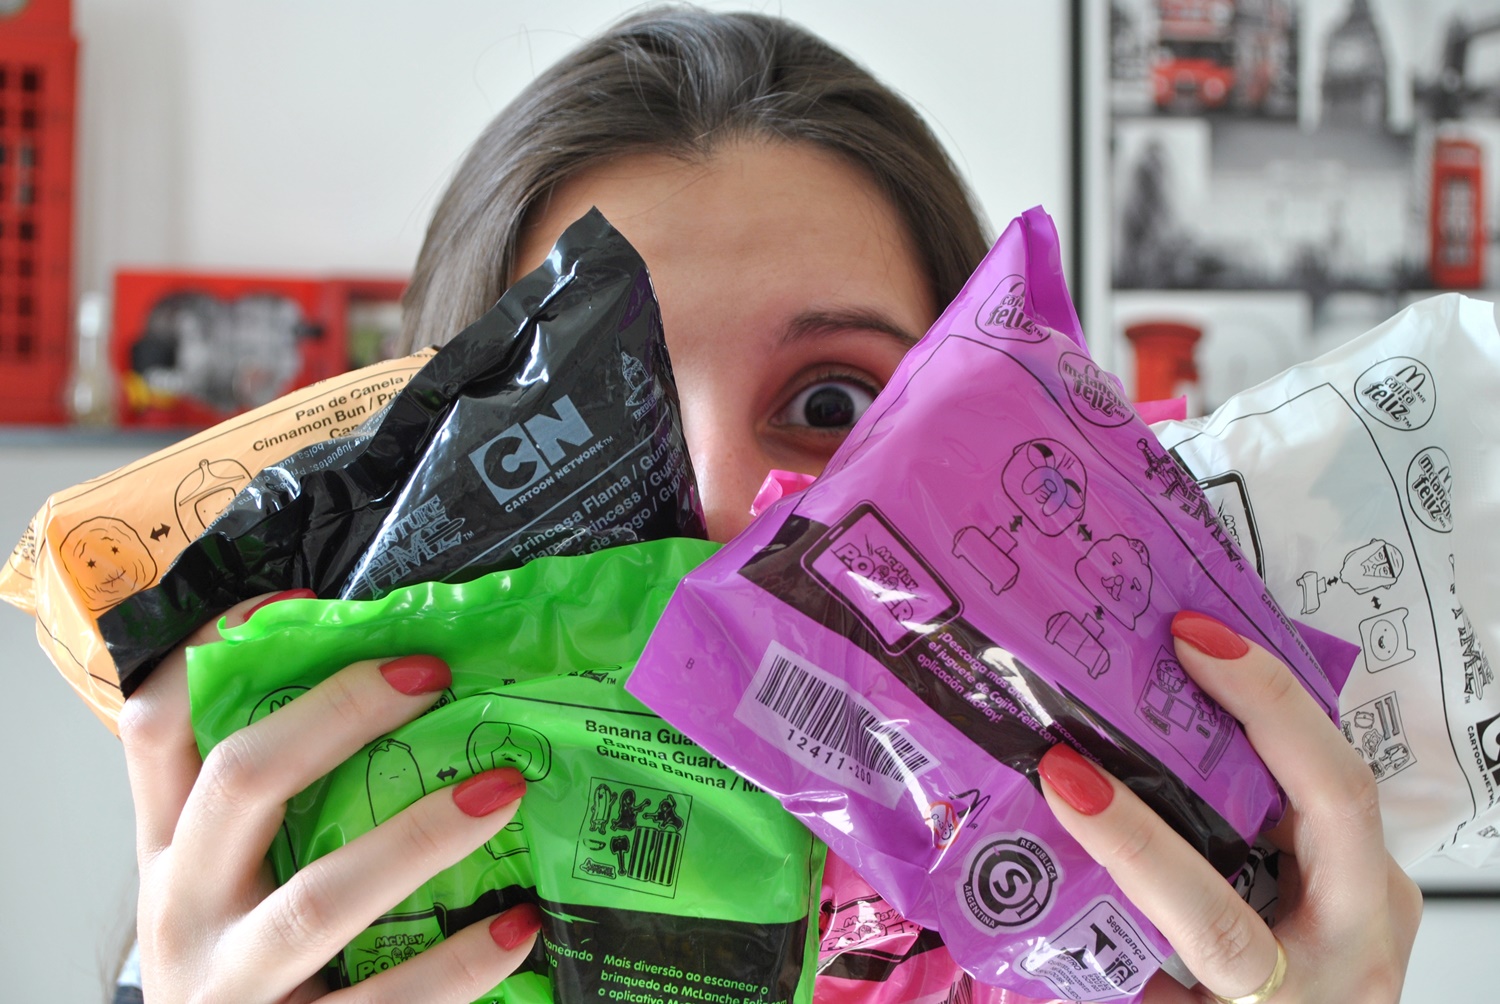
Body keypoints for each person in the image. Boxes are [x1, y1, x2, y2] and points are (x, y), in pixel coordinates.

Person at [115, 6, 1421, 1003]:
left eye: (833, 404)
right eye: (587, 419)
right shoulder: (300, 943)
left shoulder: (1141, 962)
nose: (719, 516)